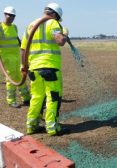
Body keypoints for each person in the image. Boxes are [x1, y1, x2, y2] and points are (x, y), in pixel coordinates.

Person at [21, 3, 69, 136]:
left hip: (34, 68)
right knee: (53, 97)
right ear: (54, 15)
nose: (58, 21)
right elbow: (60, 41)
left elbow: (23, 49)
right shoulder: (52, 23)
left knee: (36, 97)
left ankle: (31, 125)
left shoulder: (30, 26)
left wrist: (23, 66)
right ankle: (52, 127)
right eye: (58, 19)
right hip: (49, 67)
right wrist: (64, 33)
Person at [0, 6, 30, 108]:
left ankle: (26, 98)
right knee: (11, 78)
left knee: (21, 76)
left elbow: (18, 40)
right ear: (5, 14)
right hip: (6, 57)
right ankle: (11, 100)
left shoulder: (15, 27)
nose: (11, 17)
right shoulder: (0, 27)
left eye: (13, 16)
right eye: (9, 15)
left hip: (16, 56)